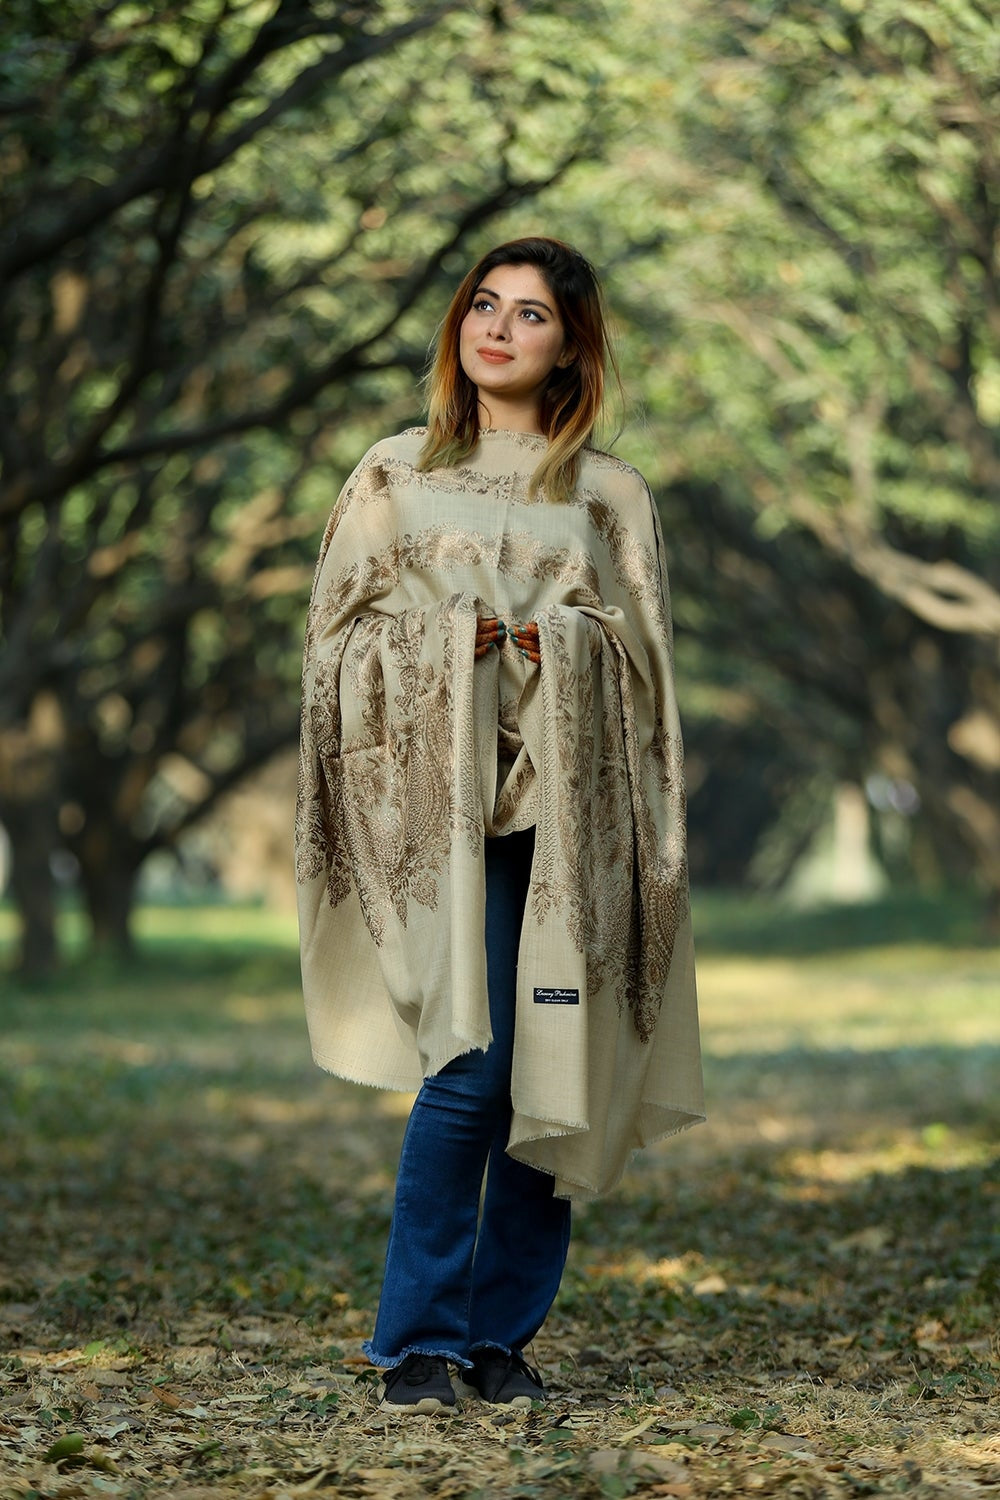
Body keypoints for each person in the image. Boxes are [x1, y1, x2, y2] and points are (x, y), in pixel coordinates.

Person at [295, 236, 704, 1416]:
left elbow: (648, 672)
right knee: (469, 1070)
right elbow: (330, 648)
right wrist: (443, 649)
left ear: (571, 343)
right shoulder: (389, 475)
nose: (498, 329)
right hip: (435, 808)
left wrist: (558, 646)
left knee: (551, 1066)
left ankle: (500, 1339)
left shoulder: (609, 495)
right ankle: (413, 1341)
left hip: (572, 817)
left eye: (529, 315)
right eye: (483, 305)